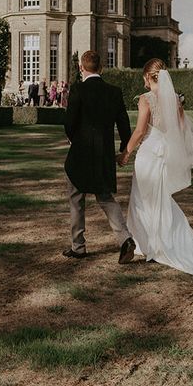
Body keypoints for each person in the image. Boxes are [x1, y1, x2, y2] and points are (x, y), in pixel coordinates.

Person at [120, 59, 193, 282]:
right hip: (163, 154)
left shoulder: (145, 100)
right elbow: (183, 128)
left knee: (142, 199)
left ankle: (147, 243)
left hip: (149, 153)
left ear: (147, 77)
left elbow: (139, 131)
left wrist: (125, 153)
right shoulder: (175, 100)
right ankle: (153, 243)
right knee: (159, 198)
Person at [63, 50, 135, 263]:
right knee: (105, 197)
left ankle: (78, 246)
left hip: (80, 152)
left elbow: (69, 123)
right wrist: (123, 149)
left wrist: (74, 139)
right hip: (103, 153)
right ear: (101, 68)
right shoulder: (114, 91)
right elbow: (124, 124)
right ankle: (125, 239)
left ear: (81, 68)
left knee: (76, 198)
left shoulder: (77, 89)